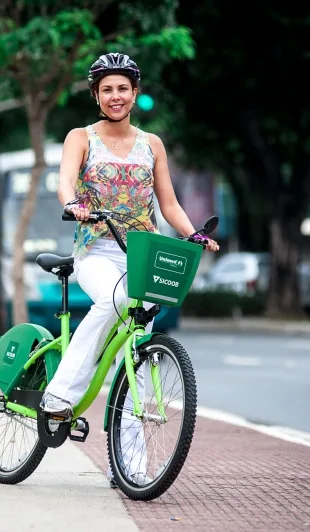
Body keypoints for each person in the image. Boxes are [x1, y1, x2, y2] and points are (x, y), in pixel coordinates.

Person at [38, 53, 220, 484]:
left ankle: (134, 466)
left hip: (140, 254)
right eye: (107, 90)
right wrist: (73, 205)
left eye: (123, 88)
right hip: (96, 251)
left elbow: (169, 203)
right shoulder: (81, 137)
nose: (115, 96)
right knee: (118, 299)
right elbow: (65, 180)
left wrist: (193, 234)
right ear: (97, 96)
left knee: (139, 363)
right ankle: (59, 395)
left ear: (135, 94)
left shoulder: (151, 143)